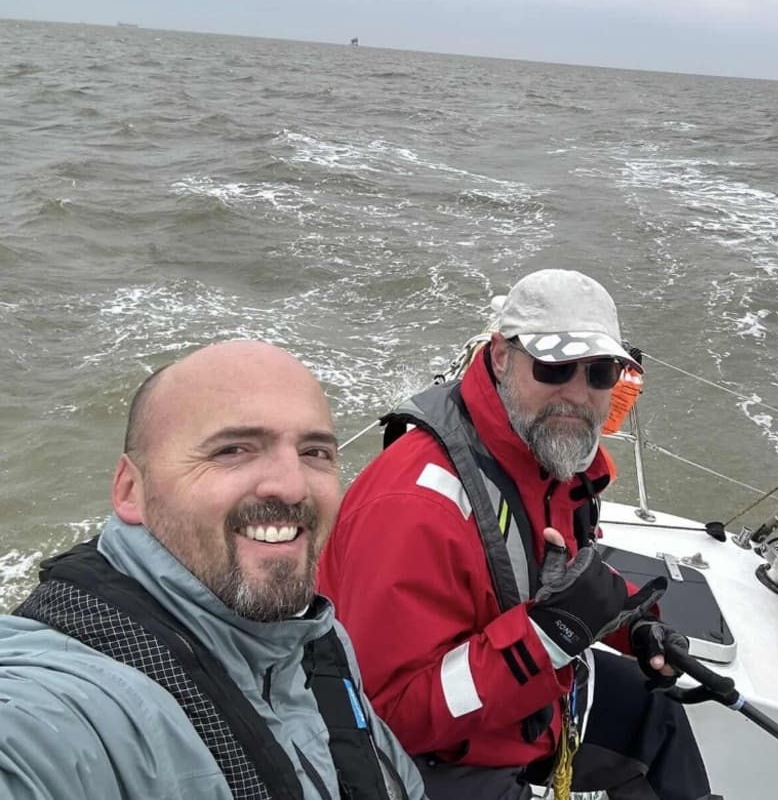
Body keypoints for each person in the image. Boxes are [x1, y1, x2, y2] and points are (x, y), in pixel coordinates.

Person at [319, 269, 718, 800]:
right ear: (502, 356)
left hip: (522, 698)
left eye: (599, 372)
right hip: (421, 760)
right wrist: (548, 636)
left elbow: (563, 578)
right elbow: (390, 715)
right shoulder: (413, 508)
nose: (576, 394)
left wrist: (638, 627)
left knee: (655, 715)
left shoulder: (544, 456)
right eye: (554, 367)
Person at [0, 340, 427, 800]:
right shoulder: (65, 706)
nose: (290, 485)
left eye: (315, 452)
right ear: (130, 490)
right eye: (233, 450)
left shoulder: (314, 637)